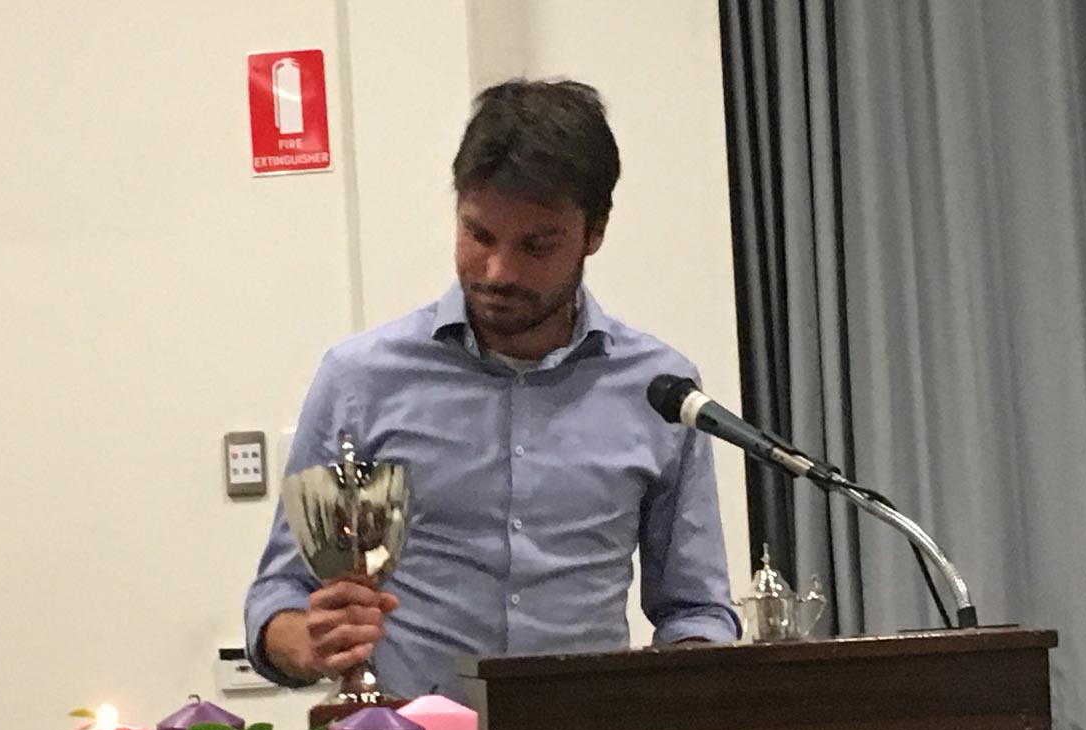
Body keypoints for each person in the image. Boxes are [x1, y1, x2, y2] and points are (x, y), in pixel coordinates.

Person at [245, 79, 738, 697]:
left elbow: (695, 609)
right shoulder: (360, 379)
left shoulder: (660, 391)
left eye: (536, 245)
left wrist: (687, 692)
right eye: (479, 235)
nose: (499, 271)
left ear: (595, 232)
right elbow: (279, 597)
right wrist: (312, 642)